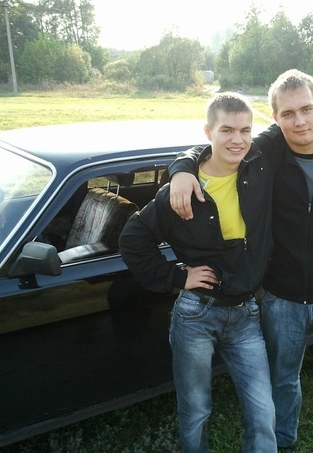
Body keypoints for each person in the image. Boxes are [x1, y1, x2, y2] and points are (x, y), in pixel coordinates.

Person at [168, 70, 313, 452]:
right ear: (275, 118)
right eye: (288, 114)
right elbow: (218, 145)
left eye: (307, 109)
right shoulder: (268, 153)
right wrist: (181, 168)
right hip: (282, 297)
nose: (300, 121)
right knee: (281, 381)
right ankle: (281, 441)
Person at [119, 92, 278, 452]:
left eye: (245, 130)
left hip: (246, 314)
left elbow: (303, 120)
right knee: (195, 409)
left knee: (263, 409)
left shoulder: (259, 167)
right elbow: (132, 239)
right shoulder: (182, 192)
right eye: (227, 130)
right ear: (208, 132)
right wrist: (178, 277)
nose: (238, 140)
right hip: (196, 316)